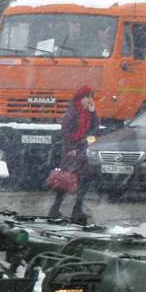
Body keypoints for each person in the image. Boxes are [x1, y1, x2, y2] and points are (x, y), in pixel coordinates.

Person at [47, 81, 99, 221]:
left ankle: (77, 209)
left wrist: (93, 113)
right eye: (87, 97)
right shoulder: (72, 113)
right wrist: (71, 148)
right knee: (66, 180)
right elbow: (65, 132)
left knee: (85, 179)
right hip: (72, 152)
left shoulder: (88, 113)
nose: (89, 100)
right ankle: (55, 209)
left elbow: (95, 128)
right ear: (80, 98)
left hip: (82, 151)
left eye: (91, 97)